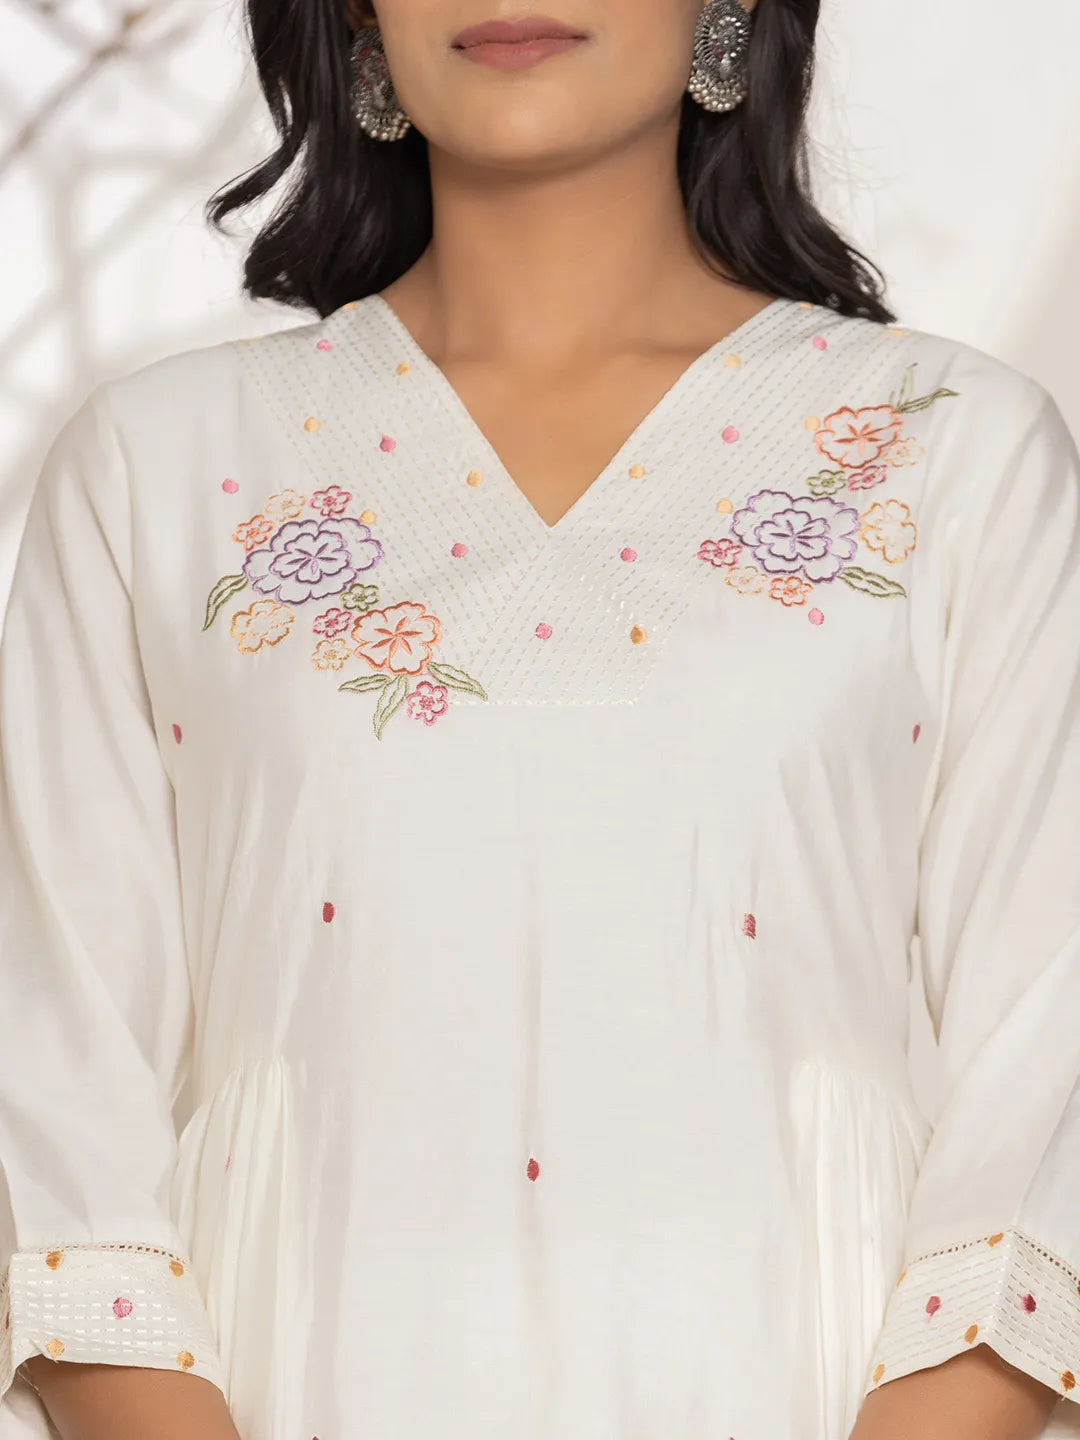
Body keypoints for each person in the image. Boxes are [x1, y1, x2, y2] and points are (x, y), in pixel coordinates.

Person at [2, 1, 1079, 1437]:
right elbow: (60, 1118)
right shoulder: (156, 471)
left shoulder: (956, 453)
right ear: (358, 21)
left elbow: (1044, 1095)